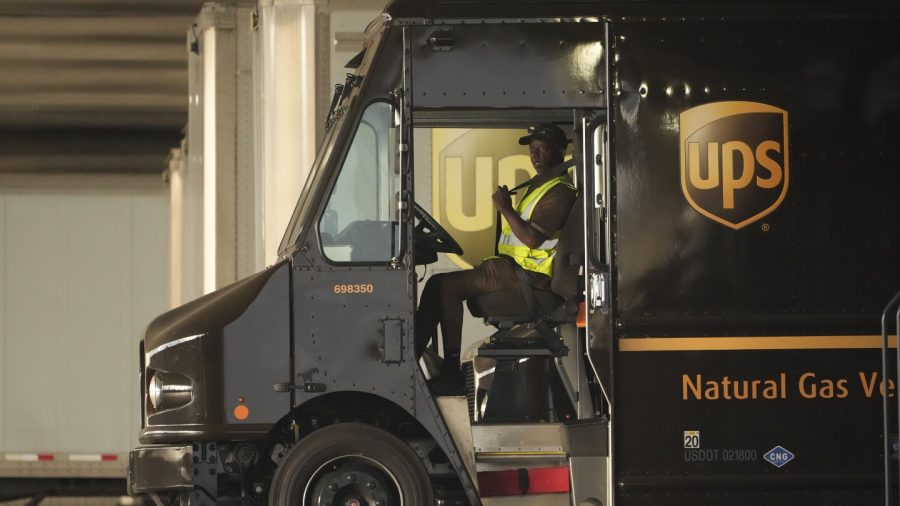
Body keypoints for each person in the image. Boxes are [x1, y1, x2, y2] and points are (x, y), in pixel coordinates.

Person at [416, 124, 577, 394]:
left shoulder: (559, 190)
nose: (535, 155)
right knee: (436, 285)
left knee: (444, 286)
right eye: (532, 149)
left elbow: (532, 240)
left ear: (561, 152)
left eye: (543, 149)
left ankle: (450, 372)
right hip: (513, 269)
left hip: (528, 278)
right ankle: (417, 357)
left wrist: (505, 208)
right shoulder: (543, 185)